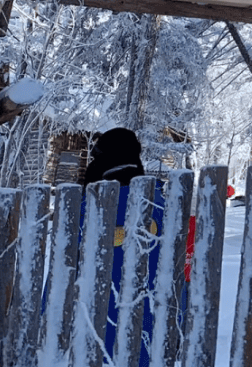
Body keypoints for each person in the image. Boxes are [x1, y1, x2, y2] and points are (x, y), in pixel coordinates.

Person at [82, 128, 166, 367]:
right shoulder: (160, 205)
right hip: (148, 331)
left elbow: (64, 271)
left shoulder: (92, 207)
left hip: (95, 330)